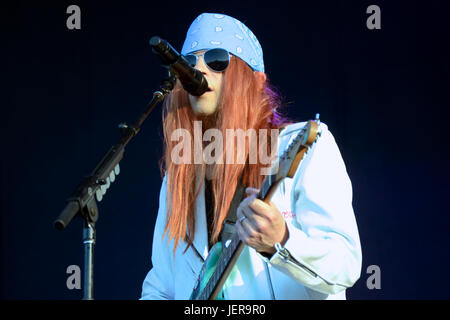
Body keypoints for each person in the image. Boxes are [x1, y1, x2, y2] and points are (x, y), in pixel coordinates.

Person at [141, 12, 362, 300]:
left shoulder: (303, 148)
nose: (200, 70)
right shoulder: (178, 178)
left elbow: (345, 265)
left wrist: (281, 242)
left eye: (217, 60)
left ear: (257, 81)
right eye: (189, 63)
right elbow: (161, 287)